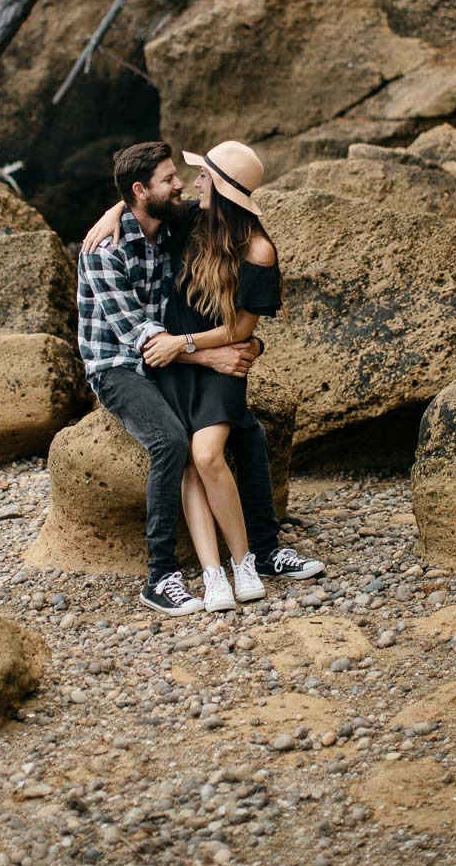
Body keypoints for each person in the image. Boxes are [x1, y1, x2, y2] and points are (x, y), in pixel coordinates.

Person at [74, 141, 322, 617]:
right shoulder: (109, 247)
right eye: (172, 179)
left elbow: (236, 323)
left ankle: (262, 554)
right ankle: (160, 575)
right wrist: (211, 358)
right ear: (142, 191)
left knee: (250, 432)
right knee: (173, 443)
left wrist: (243, 347)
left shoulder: (180, 224)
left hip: (176, 356)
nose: (185, 185)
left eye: (193, 176)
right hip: (121, 363)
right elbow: (142, 338)